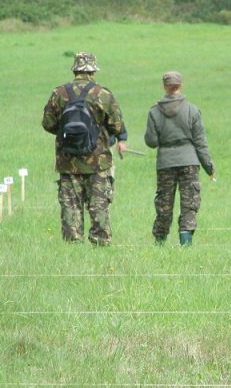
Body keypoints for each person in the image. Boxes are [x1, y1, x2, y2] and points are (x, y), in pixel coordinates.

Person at [42, 52, 124, 245]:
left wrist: (66, 133)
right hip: (98, 162)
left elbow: (47, 123)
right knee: (99, 206)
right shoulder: (103, 94)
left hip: (67, 161)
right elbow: (117, 126)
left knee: (70, 207)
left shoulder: (59, 93)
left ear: (75, 69)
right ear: (93, 70)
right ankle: (101, 243)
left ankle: (73, 245)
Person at [144, 71, 215, 246]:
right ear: (180, 85)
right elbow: (200, 143)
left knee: (164, 204)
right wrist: (209, 167)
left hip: (165, 163)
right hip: (189, 162)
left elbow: (151, 142)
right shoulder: (192, 110)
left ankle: (160, 242)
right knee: (189, 204)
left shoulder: (154, 112)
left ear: (164, 87)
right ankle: (186, 245)